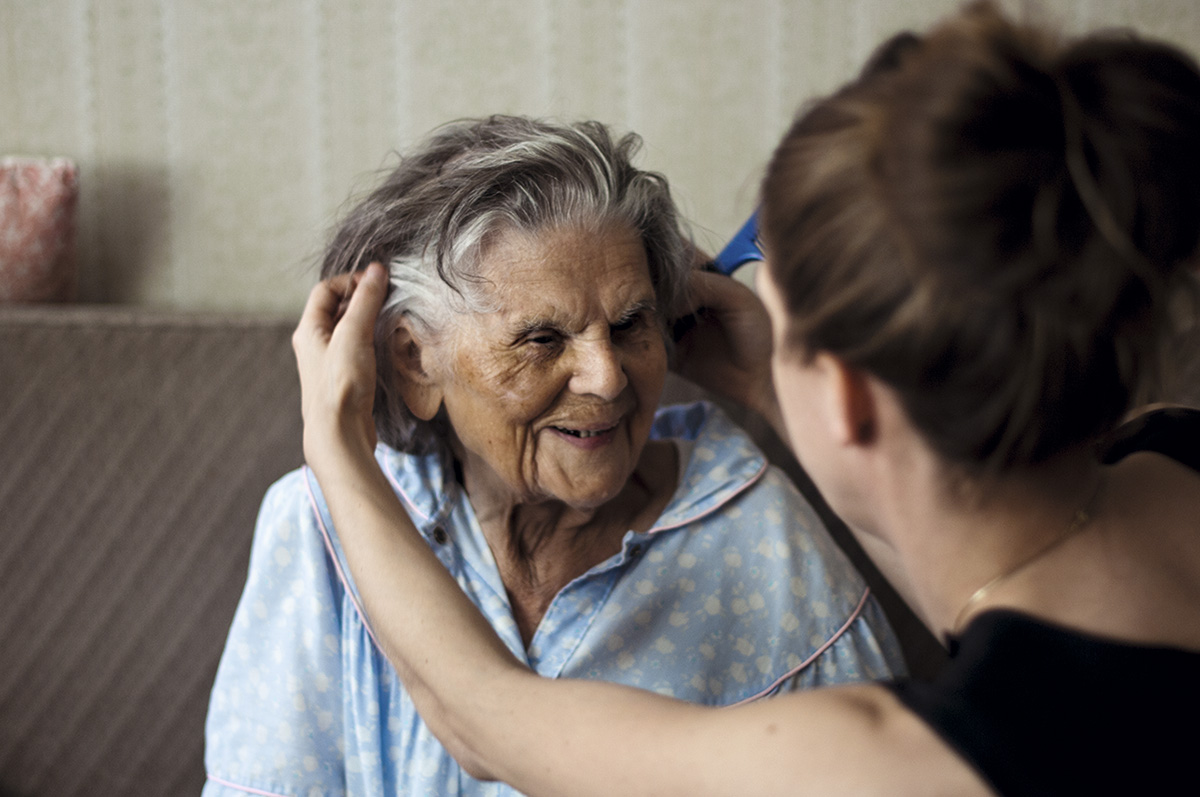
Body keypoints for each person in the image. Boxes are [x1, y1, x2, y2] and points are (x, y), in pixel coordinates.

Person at [291, 3, 1200, 795]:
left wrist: (337, 450)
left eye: (784, 329)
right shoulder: (1176, 454)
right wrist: (771, 381)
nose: (611, 374)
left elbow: (487, 722)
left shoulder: (906, 762)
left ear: (848, 399)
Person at [203, 115, 905, 795]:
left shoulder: (757, 532)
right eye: (542, 338)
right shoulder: (319, 527)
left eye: (630, 324)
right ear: (415, 361)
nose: (607, 377)